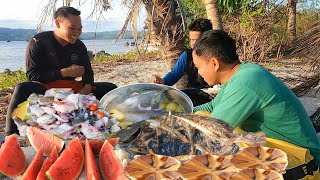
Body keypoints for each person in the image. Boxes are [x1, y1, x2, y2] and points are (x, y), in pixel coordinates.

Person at [192, 30, 320, 179]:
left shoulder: (245, 82)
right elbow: (212, 108)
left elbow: (212, 133)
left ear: (214, 63)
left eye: (199, 67)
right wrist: (176, 113)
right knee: (201, 117)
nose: (198, 73)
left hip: (303, 162)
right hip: (281, 150)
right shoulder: (239, 74)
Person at [5, 6, 117, 135]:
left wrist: (87, 86)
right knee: (22, 87)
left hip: (72, 92)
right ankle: (10, 134)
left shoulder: (79, 45)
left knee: (110, 88)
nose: (76, 32)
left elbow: (88, 73)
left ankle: (111, 125)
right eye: (72, 28)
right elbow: (32, 75)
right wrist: (64, 72)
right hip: (45, 90)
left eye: (79, 28)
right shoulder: (38, 42)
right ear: (57, 23)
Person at [153, 18, 213, 106]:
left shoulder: (217, 55)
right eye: (191, 40)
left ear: (207, 38)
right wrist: (162, 81)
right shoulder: (187, 55)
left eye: (196, 40)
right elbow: (174, 74)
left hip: (215, 96)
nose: (192, 44)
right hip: (195, 95)